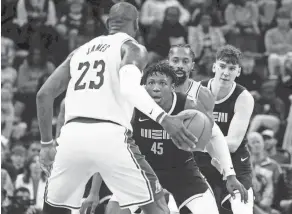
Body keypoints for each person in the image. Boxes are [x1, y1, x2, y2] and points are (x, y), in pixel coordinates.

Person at [36, 2, 198, 214]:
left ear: (108, 23)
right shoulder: (132, 48)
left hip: (71, 138)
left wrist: (46, 144)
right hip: (111, 136)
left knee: (55, 209)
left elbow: (43, 95)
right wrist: (165, 119)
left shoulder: (78, 51)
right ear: (136, 24)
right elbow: (130, 87)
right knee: (157, 206)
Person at [80, 62, 248, 214]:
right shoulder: (131, 108)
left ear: (173, 87)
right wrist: (93, 192)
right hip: (142, 171)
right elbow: (109, 149)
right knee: (114, 211)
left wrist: (230, 175)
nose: (155, 88)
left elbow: (215, 135)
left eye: (162, 83)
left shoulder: (188, 104)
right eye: (151, 83)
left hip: (181, 172)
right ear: (143, 87)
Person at [194, 45, 255, 214]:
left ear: (239, 72)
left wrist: (197, 142)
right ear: (214, 67)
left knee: (243, 209)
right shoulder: (197, 91)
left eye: (232, 68)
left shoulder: (244, 97)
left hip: (235, 161)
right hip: (202, 161)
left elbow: (233, 144)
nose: (226, 72)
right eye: (222, 66)